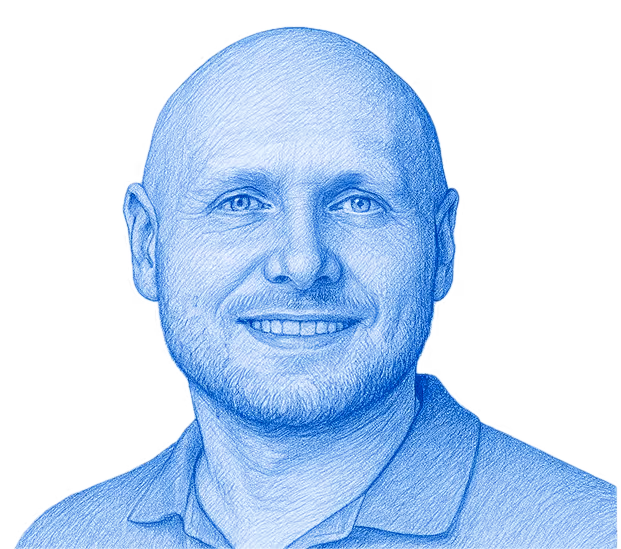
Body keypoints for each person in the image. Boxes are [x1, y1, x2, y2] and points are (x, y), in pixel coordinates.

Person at [15, 26, 618, 549]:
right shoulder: (63, 540)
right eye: (242, 202)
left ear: (442, 246)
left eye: (357, 203)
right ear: (146, 246)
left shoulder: (594, 534)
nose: (302, 263)